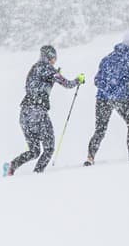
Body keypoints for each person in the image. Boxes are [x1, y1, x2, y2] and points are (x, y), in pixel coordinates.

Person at [6, 45, 80, 175]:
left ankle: (11, 166)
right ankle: (37, 175)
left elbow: (36, 85)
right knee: (49, 148)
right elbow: (66, 84)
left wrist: (52, 77)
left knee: (34, 151)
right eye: (54, 58)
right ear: (50, 56)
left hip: (24, 114)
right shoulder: (47, 68)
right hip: (38, 113)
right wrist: (78, 80)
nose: (54, 61)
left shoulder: (34, 68)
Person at [88, 34, 129, 165]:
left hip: (103, 98)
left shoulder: (107, 58)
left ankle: (90, 157)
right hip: (122, 98)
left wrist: (108, 88)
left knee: (100, 130)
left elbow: (97, 80)